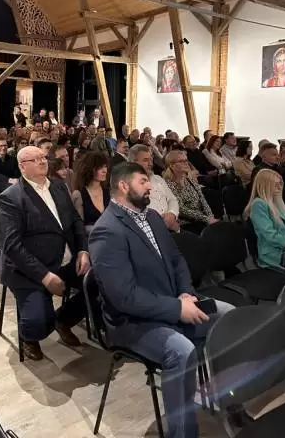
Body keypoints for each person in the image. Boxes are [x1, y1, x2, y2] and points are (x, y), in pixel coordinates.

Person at [88, 162, 235, 438]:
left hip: (173, 301)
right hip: (133, 322)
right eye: (143, 181)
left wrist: (186, 292)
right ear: (123, 186)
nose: (150, 187)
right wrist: (177, 308)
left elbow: (176, 260)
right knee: (181, 351)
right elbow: (124, 296)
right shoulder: (107, 231)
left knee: (229, 316)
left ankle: (232, 403)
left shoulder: (153, 217)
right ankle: (183, 434)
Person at [0, 146, 90, 361]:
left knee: (99, 284)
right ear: (22, 167)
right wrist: (45, 277)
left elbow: (76, 220)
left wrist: (83, 250)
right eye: (35, 159)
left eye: (43, 157)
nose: (42, 161)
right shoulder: (10, 198)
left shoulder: (58, 187)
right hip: (29, 270)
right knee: (38, 323)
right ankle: (29, 337)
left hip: (65, 260)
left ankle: (63, 320)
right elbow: (12, 246)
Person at [164, 149, 218, 235]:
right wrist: (206, 219)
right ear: (172, 165)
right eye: (181, 161)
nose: (186, 163)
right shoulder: (168, 184)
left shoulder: (190, 180)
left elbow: (203, 200)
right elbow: (181, 209)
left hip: (201, 219)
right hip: (186, 223)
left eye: (186, 160)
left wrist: (210, 216)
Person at [128, 144, 179, 232]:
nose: (150, 163)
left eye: (151, 160)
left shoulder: (158, 179)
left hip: (172, 225)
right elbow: (138, 213)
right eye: (145, 160)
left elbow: (172, 199)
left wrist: (172, 214)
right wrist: (164, 223)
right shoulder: (129, 185)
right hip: (151, 231)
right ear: (134, 163)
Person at [72, 151, 110, 235]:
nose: (104, 171)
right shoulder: (79, 194)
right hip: (91, 239)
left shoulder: (109, 192)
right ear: (89, 169)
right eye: (100, 167)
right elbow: (79, 227)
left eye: (105, 167)